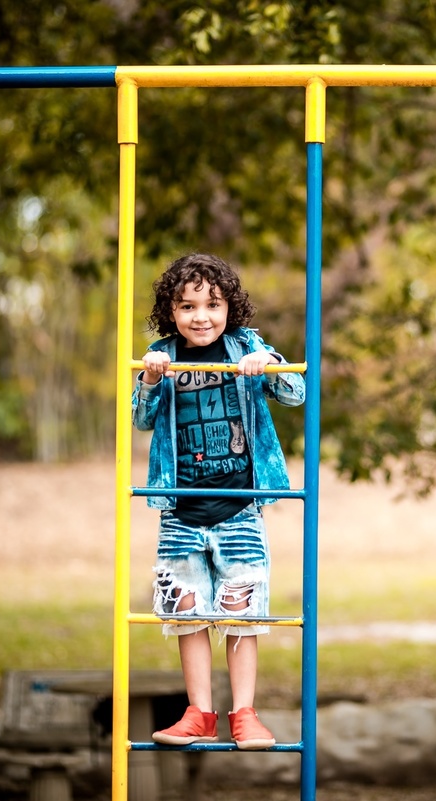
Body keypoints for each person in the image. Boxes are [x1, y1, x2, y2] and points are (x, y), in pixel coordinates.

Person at [132, 252, 304, 750]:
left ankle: (244, 713)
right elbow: (142, 421)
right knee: (187, 614)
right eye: (187, 307)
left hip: (239, 507)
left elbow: (295, 392)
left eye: (212, 304)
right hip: (180, 511)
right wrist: (149, 377)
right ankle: (199, 713)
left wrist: (268, 365)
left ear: (231, 307)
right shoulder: (162, 355)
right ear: (171, 312)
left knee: (241, 612)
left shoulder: (246, 345)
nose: (200, 316)